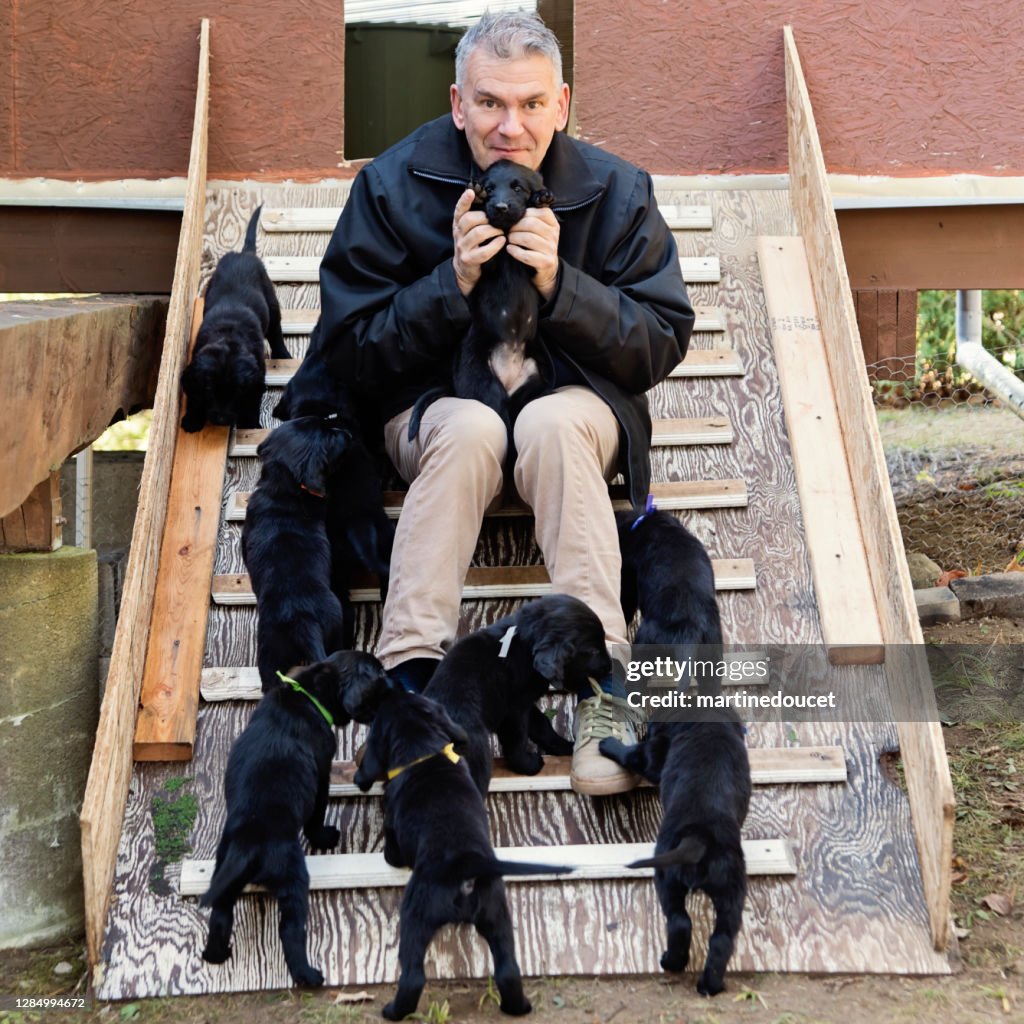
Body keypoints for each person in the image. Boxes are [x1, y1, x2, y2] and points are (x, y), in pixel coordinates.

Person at [316, 10, 694, 795]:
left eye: (529, 105)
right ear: (458, 103)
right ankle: (414, 687)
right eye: (490, 103)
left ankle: (603, 699)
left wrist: (565, 288)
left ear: (561, 104)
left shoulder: (617, 190)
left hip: (575, 404)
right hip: (439, 408)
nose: (509, 126)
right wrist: (445, 286)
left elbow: (659, 340)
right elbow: (348, 351)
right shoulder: (391, 185)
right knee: (471, 427)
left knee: (553, 425)